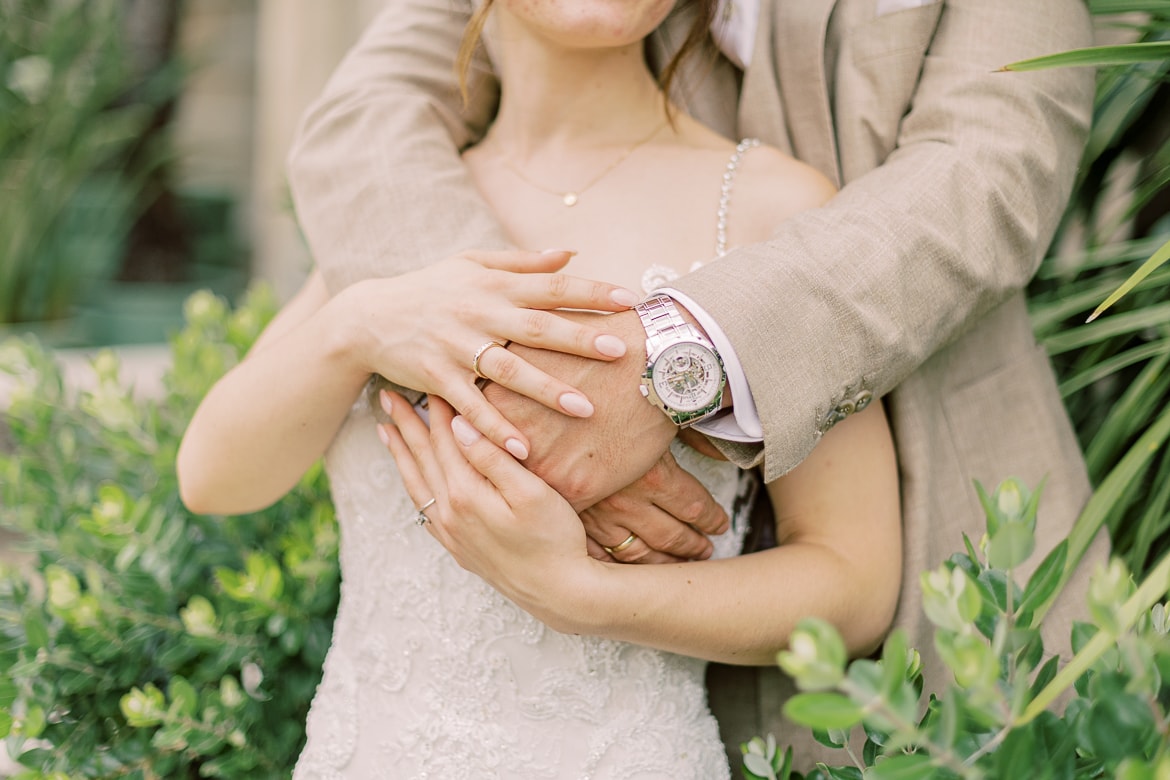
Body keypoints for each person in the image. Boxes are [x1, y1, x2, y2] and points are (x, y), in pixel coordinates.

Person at [285, 0, 1110, 764]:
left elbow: (992, 171)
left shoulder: (760, 196)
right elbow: (364, 127)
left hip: (936, 578)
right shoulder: (481, 171)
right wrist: (524, 398)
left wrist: (672, 365)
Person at [178, 2, 906, 776]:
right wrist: (357, 324)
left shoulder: (768, 204)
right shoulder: (397, 201)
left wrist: (585, 594)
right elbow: (214, 477)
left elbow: (852, 584)